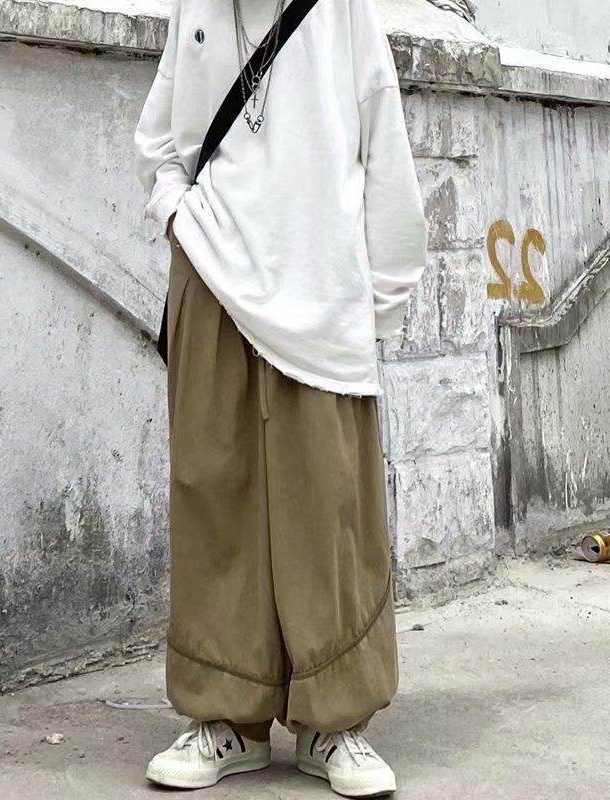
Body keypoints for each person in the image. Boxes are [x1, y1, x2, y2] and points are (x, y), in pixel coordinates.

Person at [134, 0, 427, 795]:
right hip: (212, 277)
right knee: (213, 491)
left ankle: (335, 722)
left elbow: (385, 146)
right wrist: (176, 211)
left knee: (327, 506)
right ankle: (226, 718)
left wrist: (380, 301)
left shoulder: (344, 12)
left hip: (319, 295)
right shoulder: (197, 7)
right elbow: (159, 135)